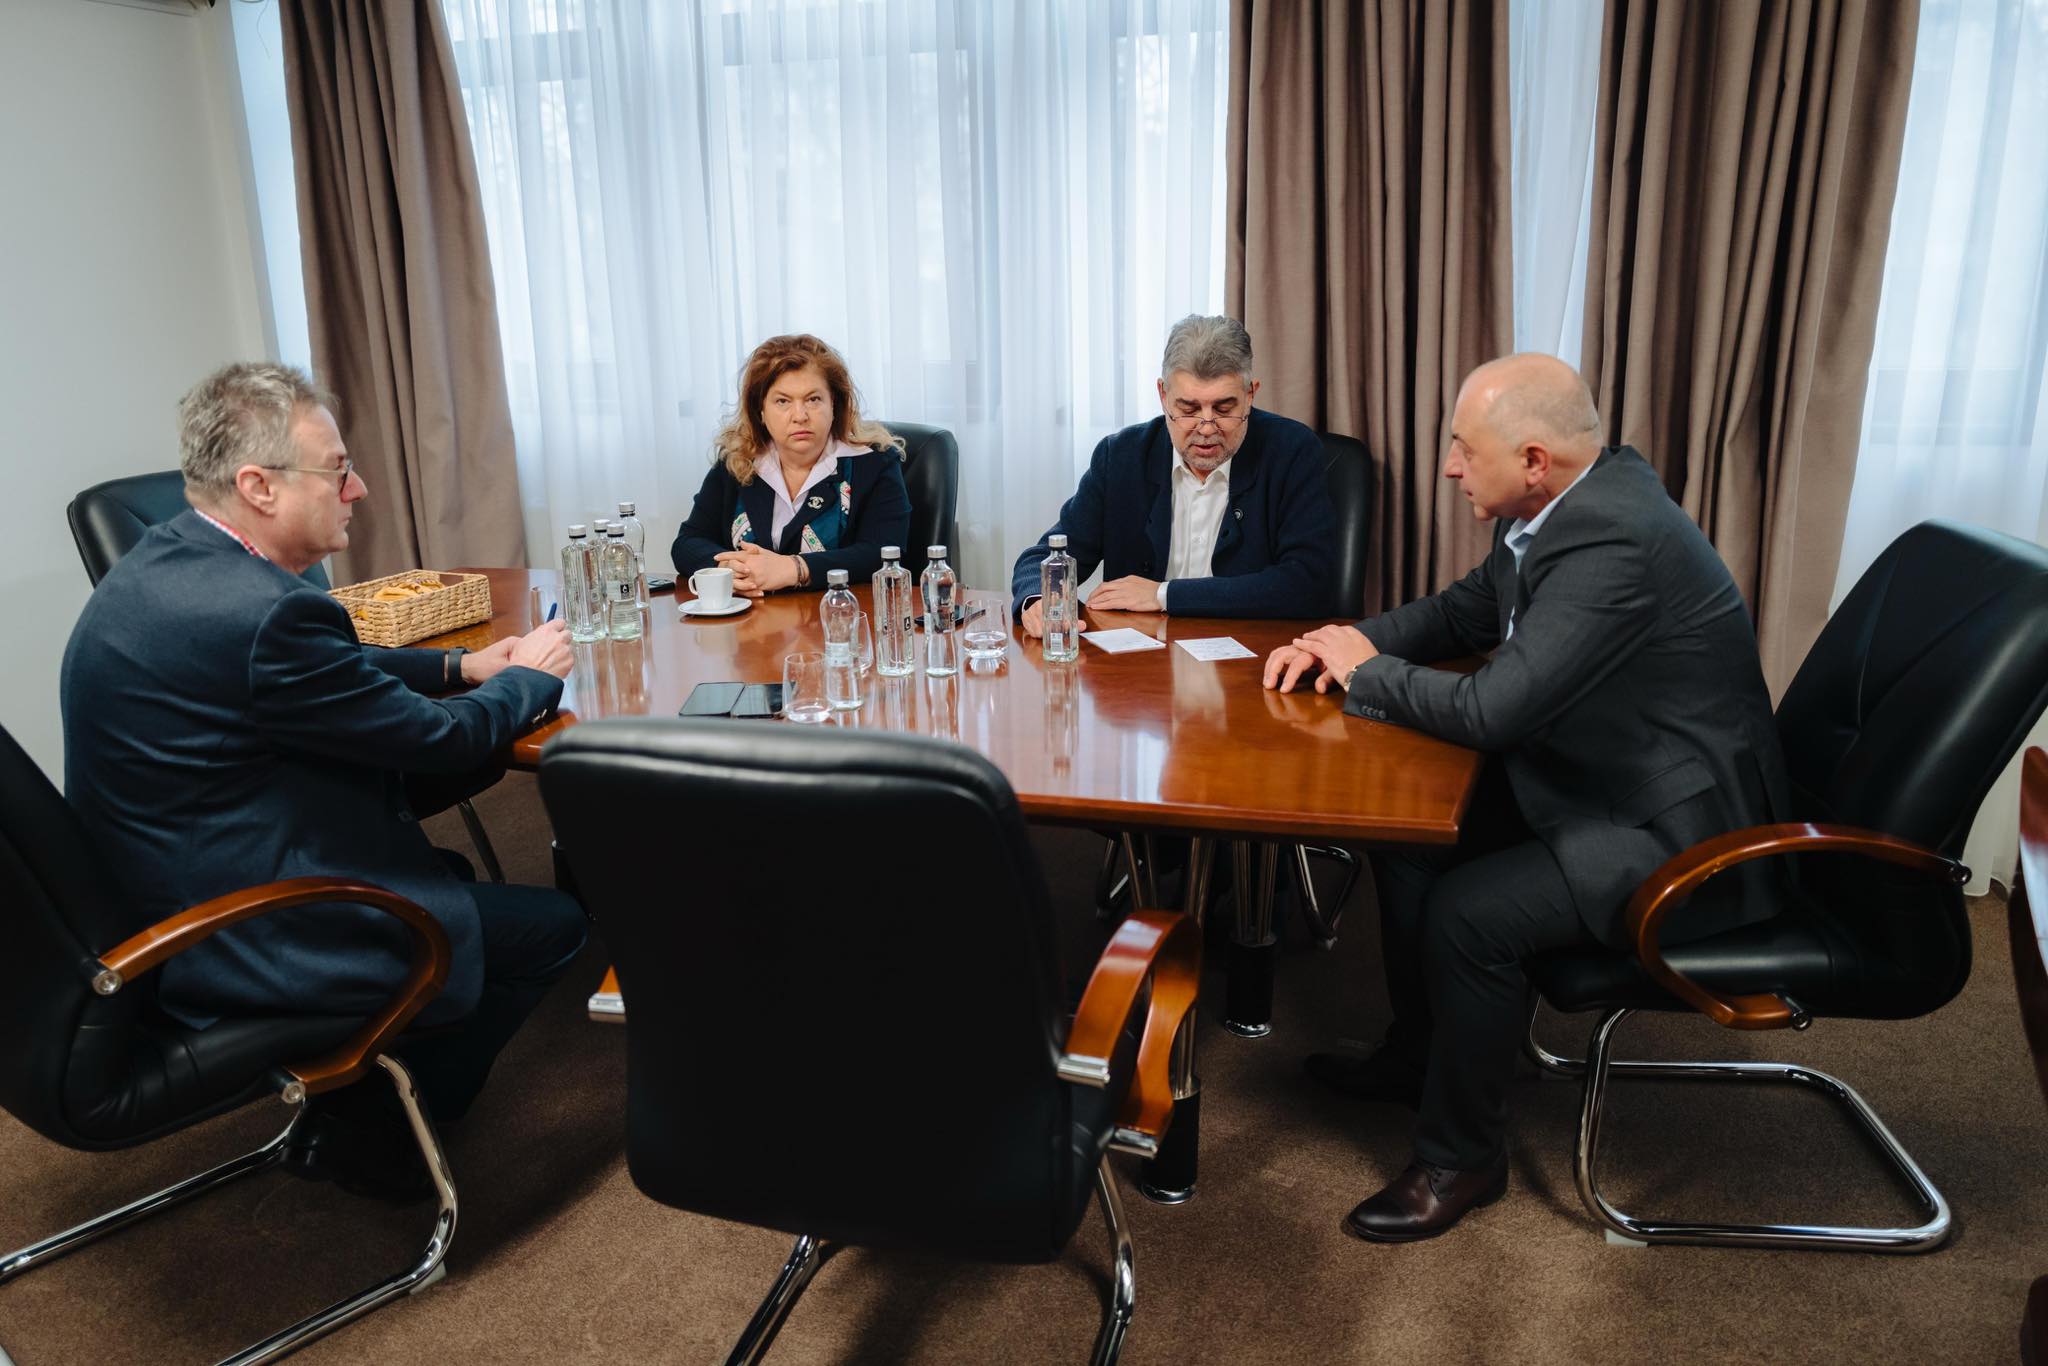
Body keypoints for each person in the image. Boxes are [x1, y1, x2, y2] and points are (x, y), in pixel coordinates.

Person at [1263, 353, 1789, 1243]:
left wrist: (1367, 675)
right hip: (1606, 776)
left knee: (1473, 916)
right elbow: (1464, 612)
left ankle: (1463, 1158)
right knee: (1408, 839)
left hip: (1684, 833)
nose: (1449, 467)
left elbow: (1492, 710)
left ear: (1534, 461)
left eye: (1464, 449)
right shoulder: (1561, 507)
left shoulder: (1611, 541)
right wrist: (1340, 642)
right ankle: (1420, 1057)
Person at [62, 362, 585, 1198]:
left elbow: (322, 663)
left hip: (161, 893)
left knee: (446, 869)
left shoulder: (172, 560)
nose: (359, 488)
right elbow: (444, 743)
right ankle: (374, 1130)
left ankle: (377, 1075)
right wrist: (531, 677)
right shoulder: (267, 612)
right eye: (338, 470)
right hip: (240, 930)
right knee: (555, 927)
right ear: (258, 486)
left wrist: (459, 665)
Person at [1010, 314, 1337, 634]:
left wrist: (1163, 594)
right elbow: (1045, 557)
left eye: (1224, 409)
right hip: (1143, 659)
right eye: (1188, 409)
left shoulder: (1292, 451)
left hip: (1253, 653)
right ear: (1163, 395)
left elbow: (1308, 581)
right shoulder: (1121, 456)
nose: (1206, 427)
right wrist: (1037, 600)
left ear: (1250, 395)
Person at [671, 334, 910, 594]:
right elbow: (688, 543)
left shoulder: (874, 463)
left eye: (813, 399)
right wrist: (727, 568)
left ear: (833, 404)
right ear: (761, 411)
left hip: (838, 613)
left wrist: (794, 568)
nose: (800, 416)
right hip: (753, 616)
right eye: (782, 401)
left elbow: (883, 552)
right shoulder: (738, 462)